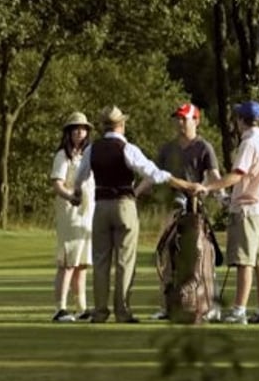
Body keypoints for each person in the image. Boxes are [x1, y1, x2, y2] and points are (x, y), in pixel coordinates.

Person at [71, 105, 198, 323]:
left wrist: (75, 194)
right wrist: (185, 184)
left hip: (100, 207)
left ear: (103, 126)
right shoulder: (127, 148)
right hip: (124, 205)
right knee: (125, 261)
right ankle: (122, 311)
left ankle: (100, 311)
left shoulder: (93, 149)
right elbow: (154, 173)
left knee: (101, 261)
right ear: (121, 124)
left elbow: (80, 177)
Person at [135, 103, 224, 320]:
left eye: (185, 118)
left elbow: (213, 175)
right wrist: (135, 193)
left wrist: (222, 197)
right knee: (168, 256)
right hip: (171, 209)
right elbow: (152, 175)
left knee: (200, 257)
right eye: (178, 118)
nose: (181, 122)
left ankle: (209, 304)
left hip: (195, 210)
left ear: (196, 120)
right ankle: (167, 306)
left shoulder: (204, 147)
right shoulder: (167, 148)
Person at [199, 101, 259, 325]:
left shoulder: (249, 144)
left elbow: (237, 175)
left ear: (242, 120)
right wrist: (227, 198)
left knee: (245, 262)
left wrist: (209, 187)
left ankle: (239, 311)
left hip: (247, 212)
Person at [48, 112, 95, 322]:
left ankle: (82, 308)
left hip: (87, 214)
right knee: (68, 262)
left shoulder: (88, 155)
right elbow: (57, 184)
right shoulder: (63, 155)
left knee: (81, 263)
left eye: (83, 128)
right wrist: (71, 197)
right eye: (75, 128)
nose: (80, 131)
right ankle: (61, 308)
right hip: (70, 214)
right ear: (69, 132)